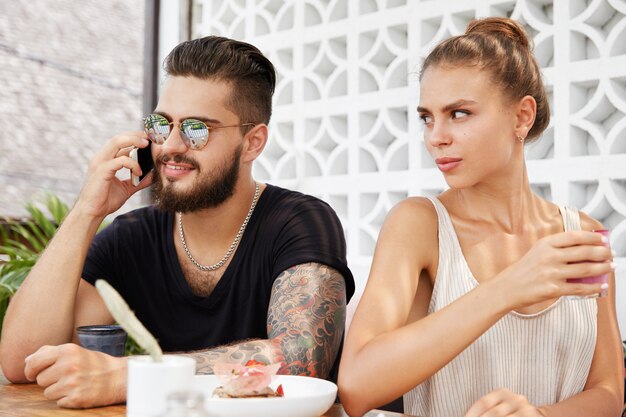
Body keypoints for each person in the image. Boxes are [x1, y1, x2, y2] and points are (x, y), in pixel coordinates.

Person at [0, 36, 354, 408]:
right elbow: (24, 363)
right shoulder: (132, 238)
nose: (169, 145)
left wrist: (131, 376)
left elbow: (301, 360)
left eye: (196, 129)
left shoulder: (299, 221)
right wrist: (87, 212)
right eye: (161, 124)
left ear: (252, 143)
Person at [338, 17, 622, 417]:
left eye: (459, 114)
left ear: (522, 117)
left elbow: (609, 393)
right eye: (427, 117)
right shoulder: (419, 225)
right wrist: (508, 288)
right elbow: (356, 387)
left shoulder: (584, 235)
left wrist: (538, 416)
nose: (436, 136)